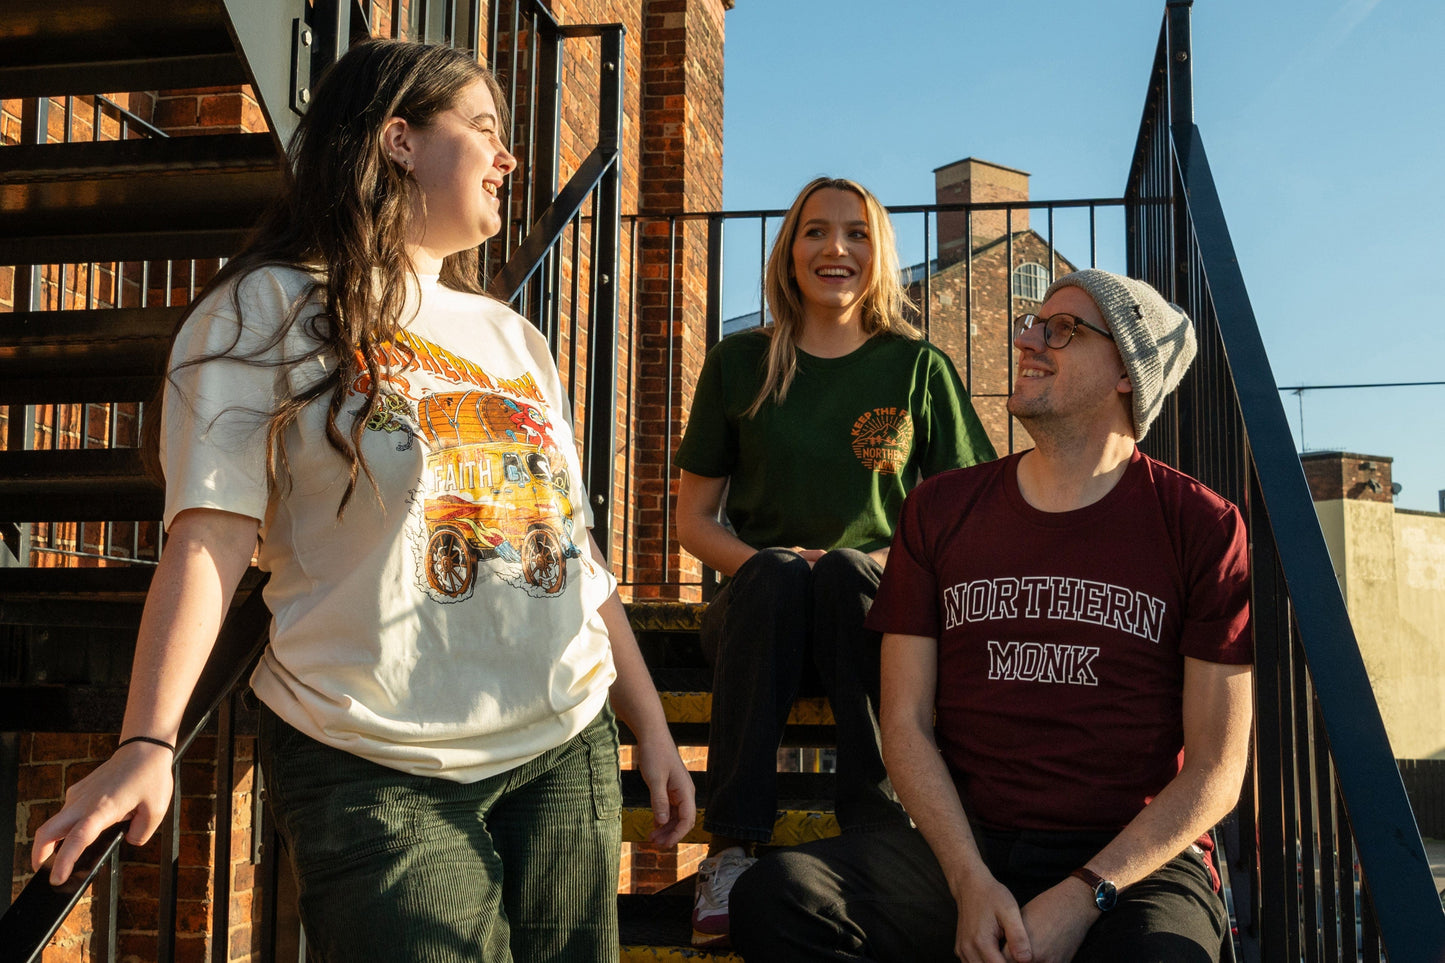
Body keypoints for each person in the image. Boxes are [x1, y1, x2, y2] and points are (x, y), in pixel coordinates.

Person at [30, 39, 694, 963]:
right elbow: (210, 536)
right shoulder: (264, 311)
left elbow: (573, 555)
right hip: (373, 762)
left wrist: (649, 724)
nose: (510, 159)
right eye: (485, 130)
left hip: (562, 748)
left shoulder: (514, 337)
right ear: (398, 140)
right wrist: (148, 738)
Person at [729, 269, 1254, 963]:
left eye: (1060, 330)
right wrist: (969, 879)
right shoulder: (941, 509)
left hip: (1128, 862)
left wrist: (1082, 893)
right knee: (776, 898)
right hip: (968, 844)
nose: (1026, 340)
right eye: (1031, 323)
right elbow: (905, 722)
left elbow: (1217, 766)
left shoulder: (1201, 526)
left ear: (1128, 371)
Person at [674, 176, 996, 947]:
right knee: (785, 575)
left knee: (846, 571)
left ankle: (878, 829)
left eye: (854, 233)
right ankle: (731, 848)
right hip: (759, 620)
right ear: (789, 253)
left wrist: (861, 557)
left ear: (877, 253)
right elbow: (691, 519)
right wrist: (770, 560)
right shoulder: (738, 362)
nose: (834, 248)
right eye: (814, 232)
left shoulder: (918, 369)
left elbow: (962, 519)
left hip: (868, 617)